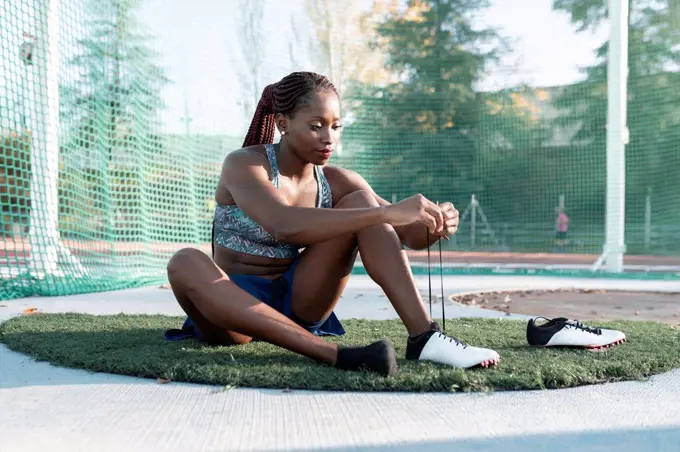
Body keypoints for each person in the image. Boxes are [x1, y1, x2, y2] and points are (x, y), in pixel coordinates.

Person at [166, 71, 499, 377]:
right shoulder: (245, 165)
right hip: (234, 313)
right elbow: (284, 224)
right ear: (283, 123)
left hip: (301, 298)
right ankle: (332, 354)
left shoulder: (338, 181)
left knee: (362, 202)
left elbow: (410, 235)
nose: (329, 138)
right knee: (185, 261)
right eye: (315, 126)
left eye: (336, 127)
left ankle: (424, 337)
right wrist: (386, 212)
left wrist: (436, 222)